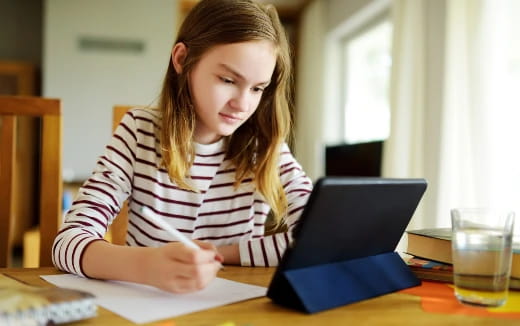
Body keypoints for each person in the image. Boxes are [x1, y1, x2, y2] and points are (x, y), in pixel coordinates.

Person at [52, 0, 313, 294]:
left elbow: (317, 238)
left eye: (257, 88)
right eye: (228, 80)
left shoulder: (265, 147)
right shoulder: (139, 132)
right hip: (148, 307)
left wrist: (217, 253)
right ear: (181, 59)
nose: (243, 104)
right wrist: (145, 266)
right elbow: (67, 242)